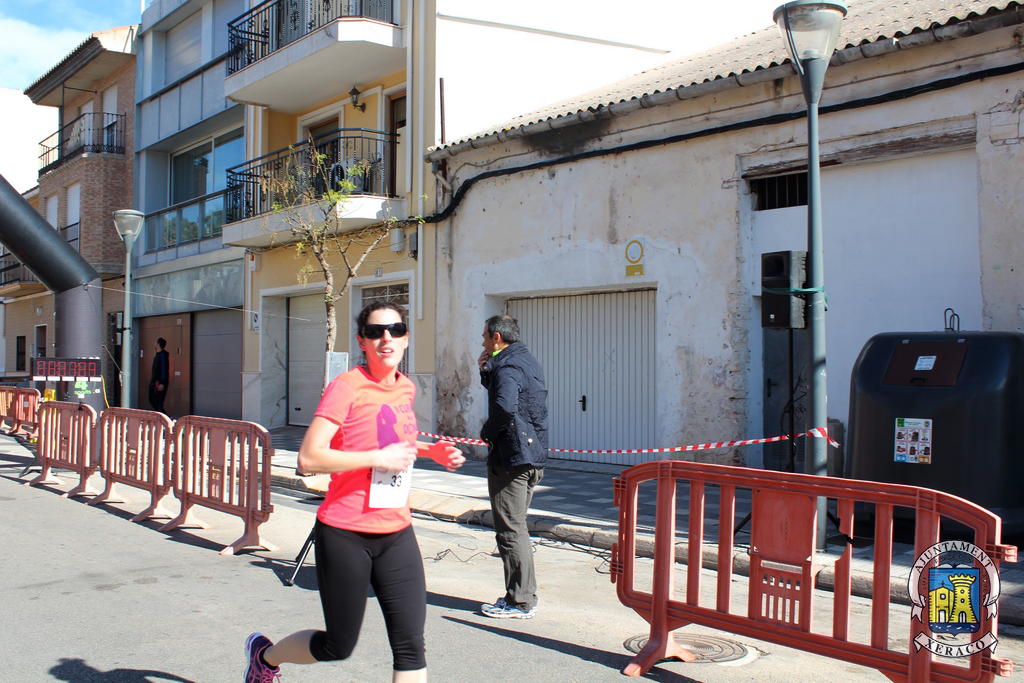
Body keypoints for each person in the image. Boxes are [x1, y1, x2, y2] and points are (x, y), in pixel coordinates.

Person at [244, 301, 465, 683]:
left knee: (411, 646)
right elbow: (309, 458)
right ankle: (265, 657)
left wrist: (432, 451)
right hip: (345, 532)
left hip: (396, 532)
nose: (386, 338)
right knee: (338, 646)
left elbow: (393, 441)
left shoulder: (406, 387)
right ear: (362, 341)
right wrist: (376, 458)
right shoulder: (346, 387)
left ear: (406, 338)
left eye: (396, 330)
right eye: (376, 332)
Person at [477, 314, 548, 619]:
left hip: (512, 458)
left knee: (510, 531)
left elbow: (505, 407)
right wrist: (486, 371)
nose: (482, 342)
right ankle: (522, 596)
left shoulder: (507, 366)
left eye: (485, 337)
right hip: (531, 454)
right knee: (516, 527)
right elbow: (511, 396)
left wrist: (486, 432)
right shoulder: (525, 360)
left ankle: (520, 601)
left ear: (496, 337)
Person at [148, 338, 169, 414]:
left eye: (155, 343)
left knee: (159, 401)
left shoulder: (163, 355)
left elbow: (164, 369)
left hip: (159, 382)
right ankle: (162, 415)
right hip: (154, 381)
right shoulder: (157, 355)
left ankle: (162, 416)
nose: (154, 344)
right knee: (152, 399)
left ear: (158, 344)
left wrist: (162, 383)